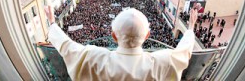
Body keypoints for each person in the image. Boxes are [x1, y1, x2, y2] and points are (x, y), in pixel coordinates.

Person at [44, 6, 198, 81]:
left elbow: (66, 46)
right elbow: (184, 51)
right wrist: (190, 28)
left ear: (114, 36)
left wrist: (52, 23)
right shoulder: (164, 62)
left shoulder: (93, 58)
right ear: (147, 36)